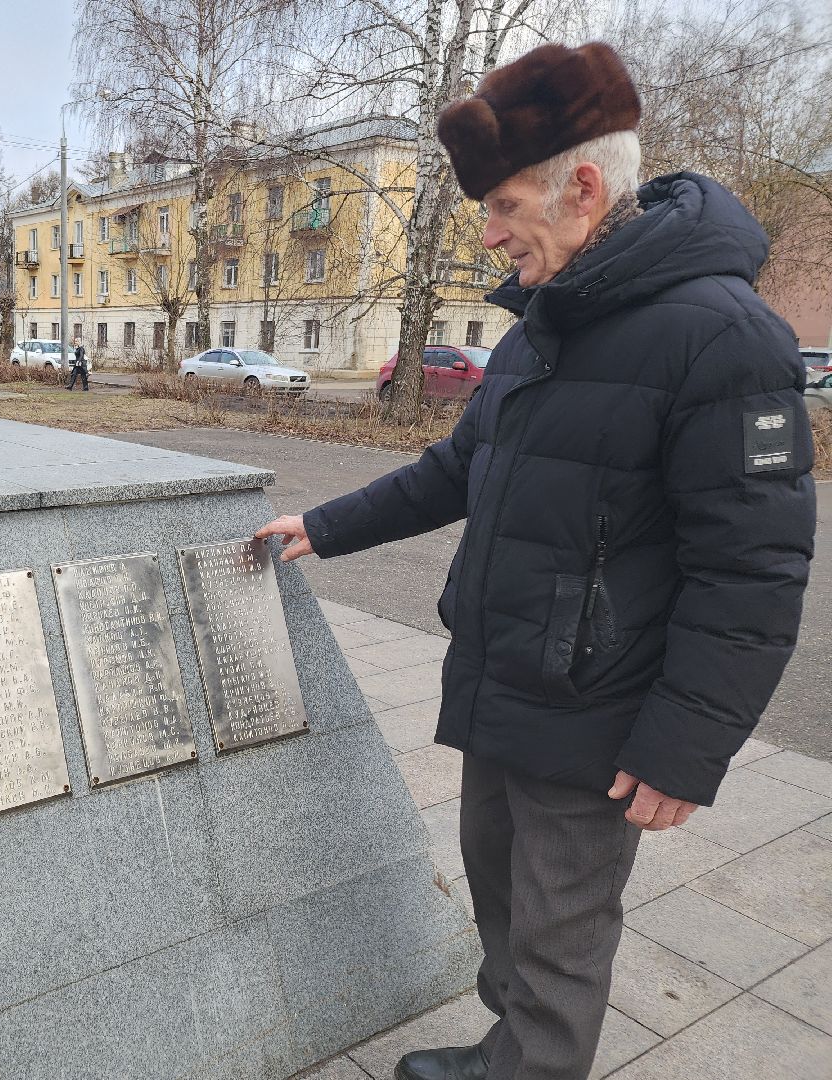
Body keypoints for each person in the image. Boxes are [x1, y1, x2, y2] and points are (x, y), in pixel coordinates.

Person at [256, 41, 814, 1080]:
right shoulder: (538, 329)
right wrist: (321, 527)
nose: (490, 231)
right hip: (505, 674)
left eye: (506, 203)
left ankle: (533, 1065)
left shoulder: (725, 339)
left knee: (560, 934)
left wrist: (686, 745)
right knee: (504, 901)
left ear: (584, 188)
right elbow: (456, 469)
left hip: (599, 710)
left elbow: (755, 569)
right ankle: (504, 1051)